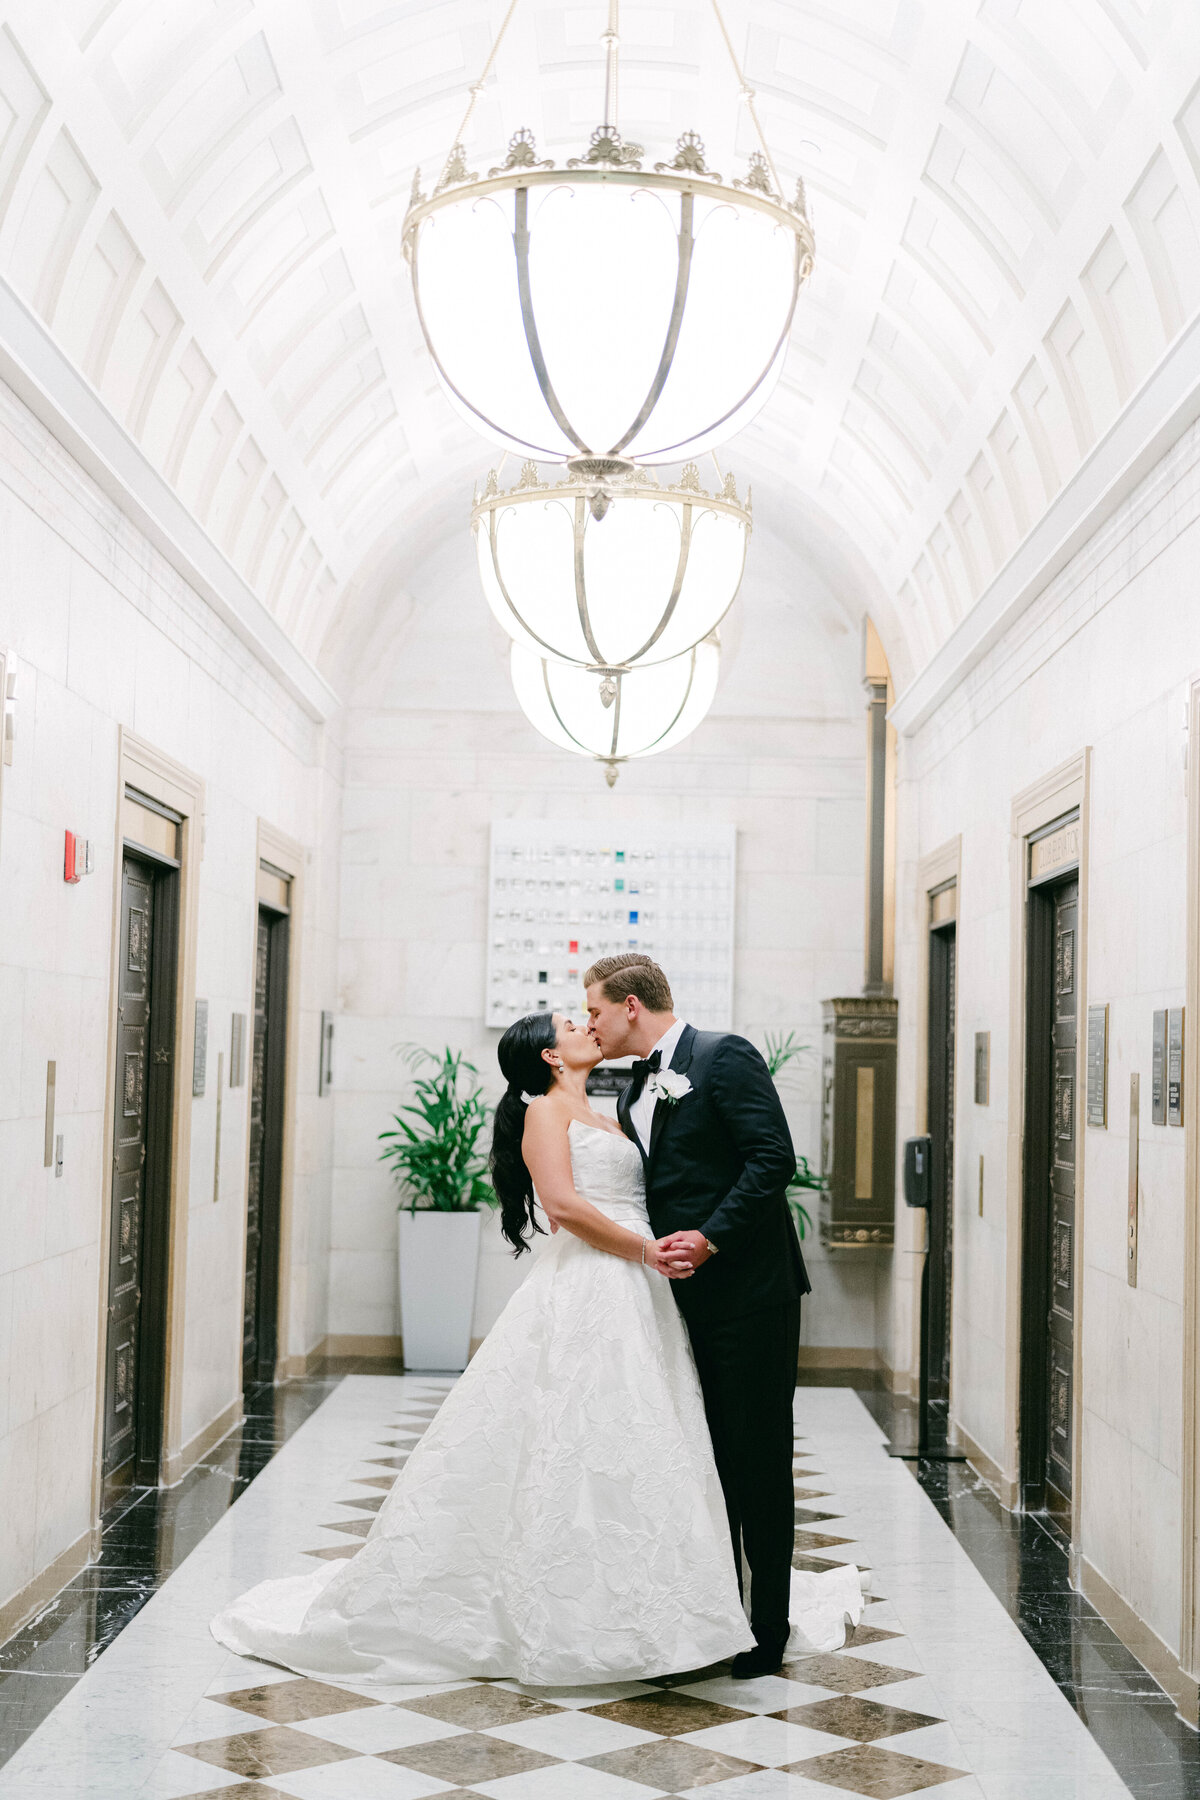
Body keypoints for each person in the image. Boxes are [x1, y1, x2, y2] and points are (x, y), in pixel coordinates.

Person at [210, 1010, 756, 1685]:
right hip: (593, 1279)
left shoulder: (611, 1109)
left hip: (638, 1292)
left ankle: (661, 1607)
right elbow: (566, 1206)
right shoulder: (545, 1116)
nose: (587, 1027)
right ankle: (574, 1610)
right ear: (552, 1057)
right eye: (570, 1024)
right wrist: (645, 1249)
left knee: (640, 1437)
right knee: (574, 1434)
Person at [584, 953, 811, 1678]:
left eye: (594, 1010)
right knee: (704, 1458)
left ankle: (768, 1627)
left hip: (750, 1294)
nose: (589, 1023)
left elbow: (773, 1158)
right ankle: (716, 1609)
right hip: (680, 1302)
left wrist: (712, 1237)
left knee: (758, 1456)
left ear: (629, 1006)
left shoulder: (723, 1056)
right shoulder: (627, 1094)